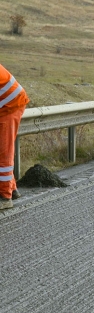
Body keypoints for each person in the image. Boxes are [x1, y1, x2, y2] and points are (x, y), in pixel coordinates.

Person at [0, 63, 29, 210]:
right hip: (7, 104)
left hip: (10, 107)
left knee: (3, 152)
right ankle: (12, 188)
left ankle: (5, 197)